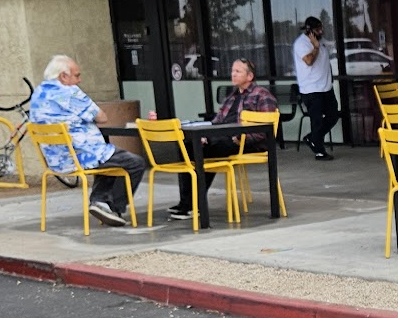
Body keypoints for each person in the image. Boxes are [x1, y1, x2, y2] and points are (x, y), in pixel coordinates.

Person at [28, 55, 144, 226]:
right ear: (63, 76)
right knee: (134, 162)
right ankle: (112, 208)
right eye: (77, 76)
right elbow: (102, 117)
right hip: (81, 155)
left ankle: (100, 201)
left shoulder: (38, 94)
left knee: (110, 157)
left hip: (56, 160)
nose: (79, 80)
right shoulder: (70, 92)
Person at [166, 58, 278, 220]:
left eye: (238, 71)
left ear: (250, 76)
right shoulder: (231, 96)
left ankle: (194, 205)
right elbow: (217, 122)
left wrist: (242, 138)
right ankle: (187, 202)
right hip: (224, 139)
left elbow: (266, 129)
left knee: (207, 152)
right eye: (232, 71)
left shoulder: (262, 95)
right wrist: (205, 135)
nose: (233, 74)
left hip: (247, 143)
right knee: (188, 147)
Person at [292, 15, 338, 159]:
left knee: (333, 116)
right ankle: (319, 151)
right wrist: (316, 47)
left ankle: (313, 138)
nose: (321, 31)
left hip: (326, 88)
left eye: (321, 28)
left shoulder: (321, 41)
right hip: (312, 90)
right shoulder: (301, 44)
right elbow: (309, 61)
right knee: (316, 121)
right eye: (318, 30)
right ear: (309, 31)